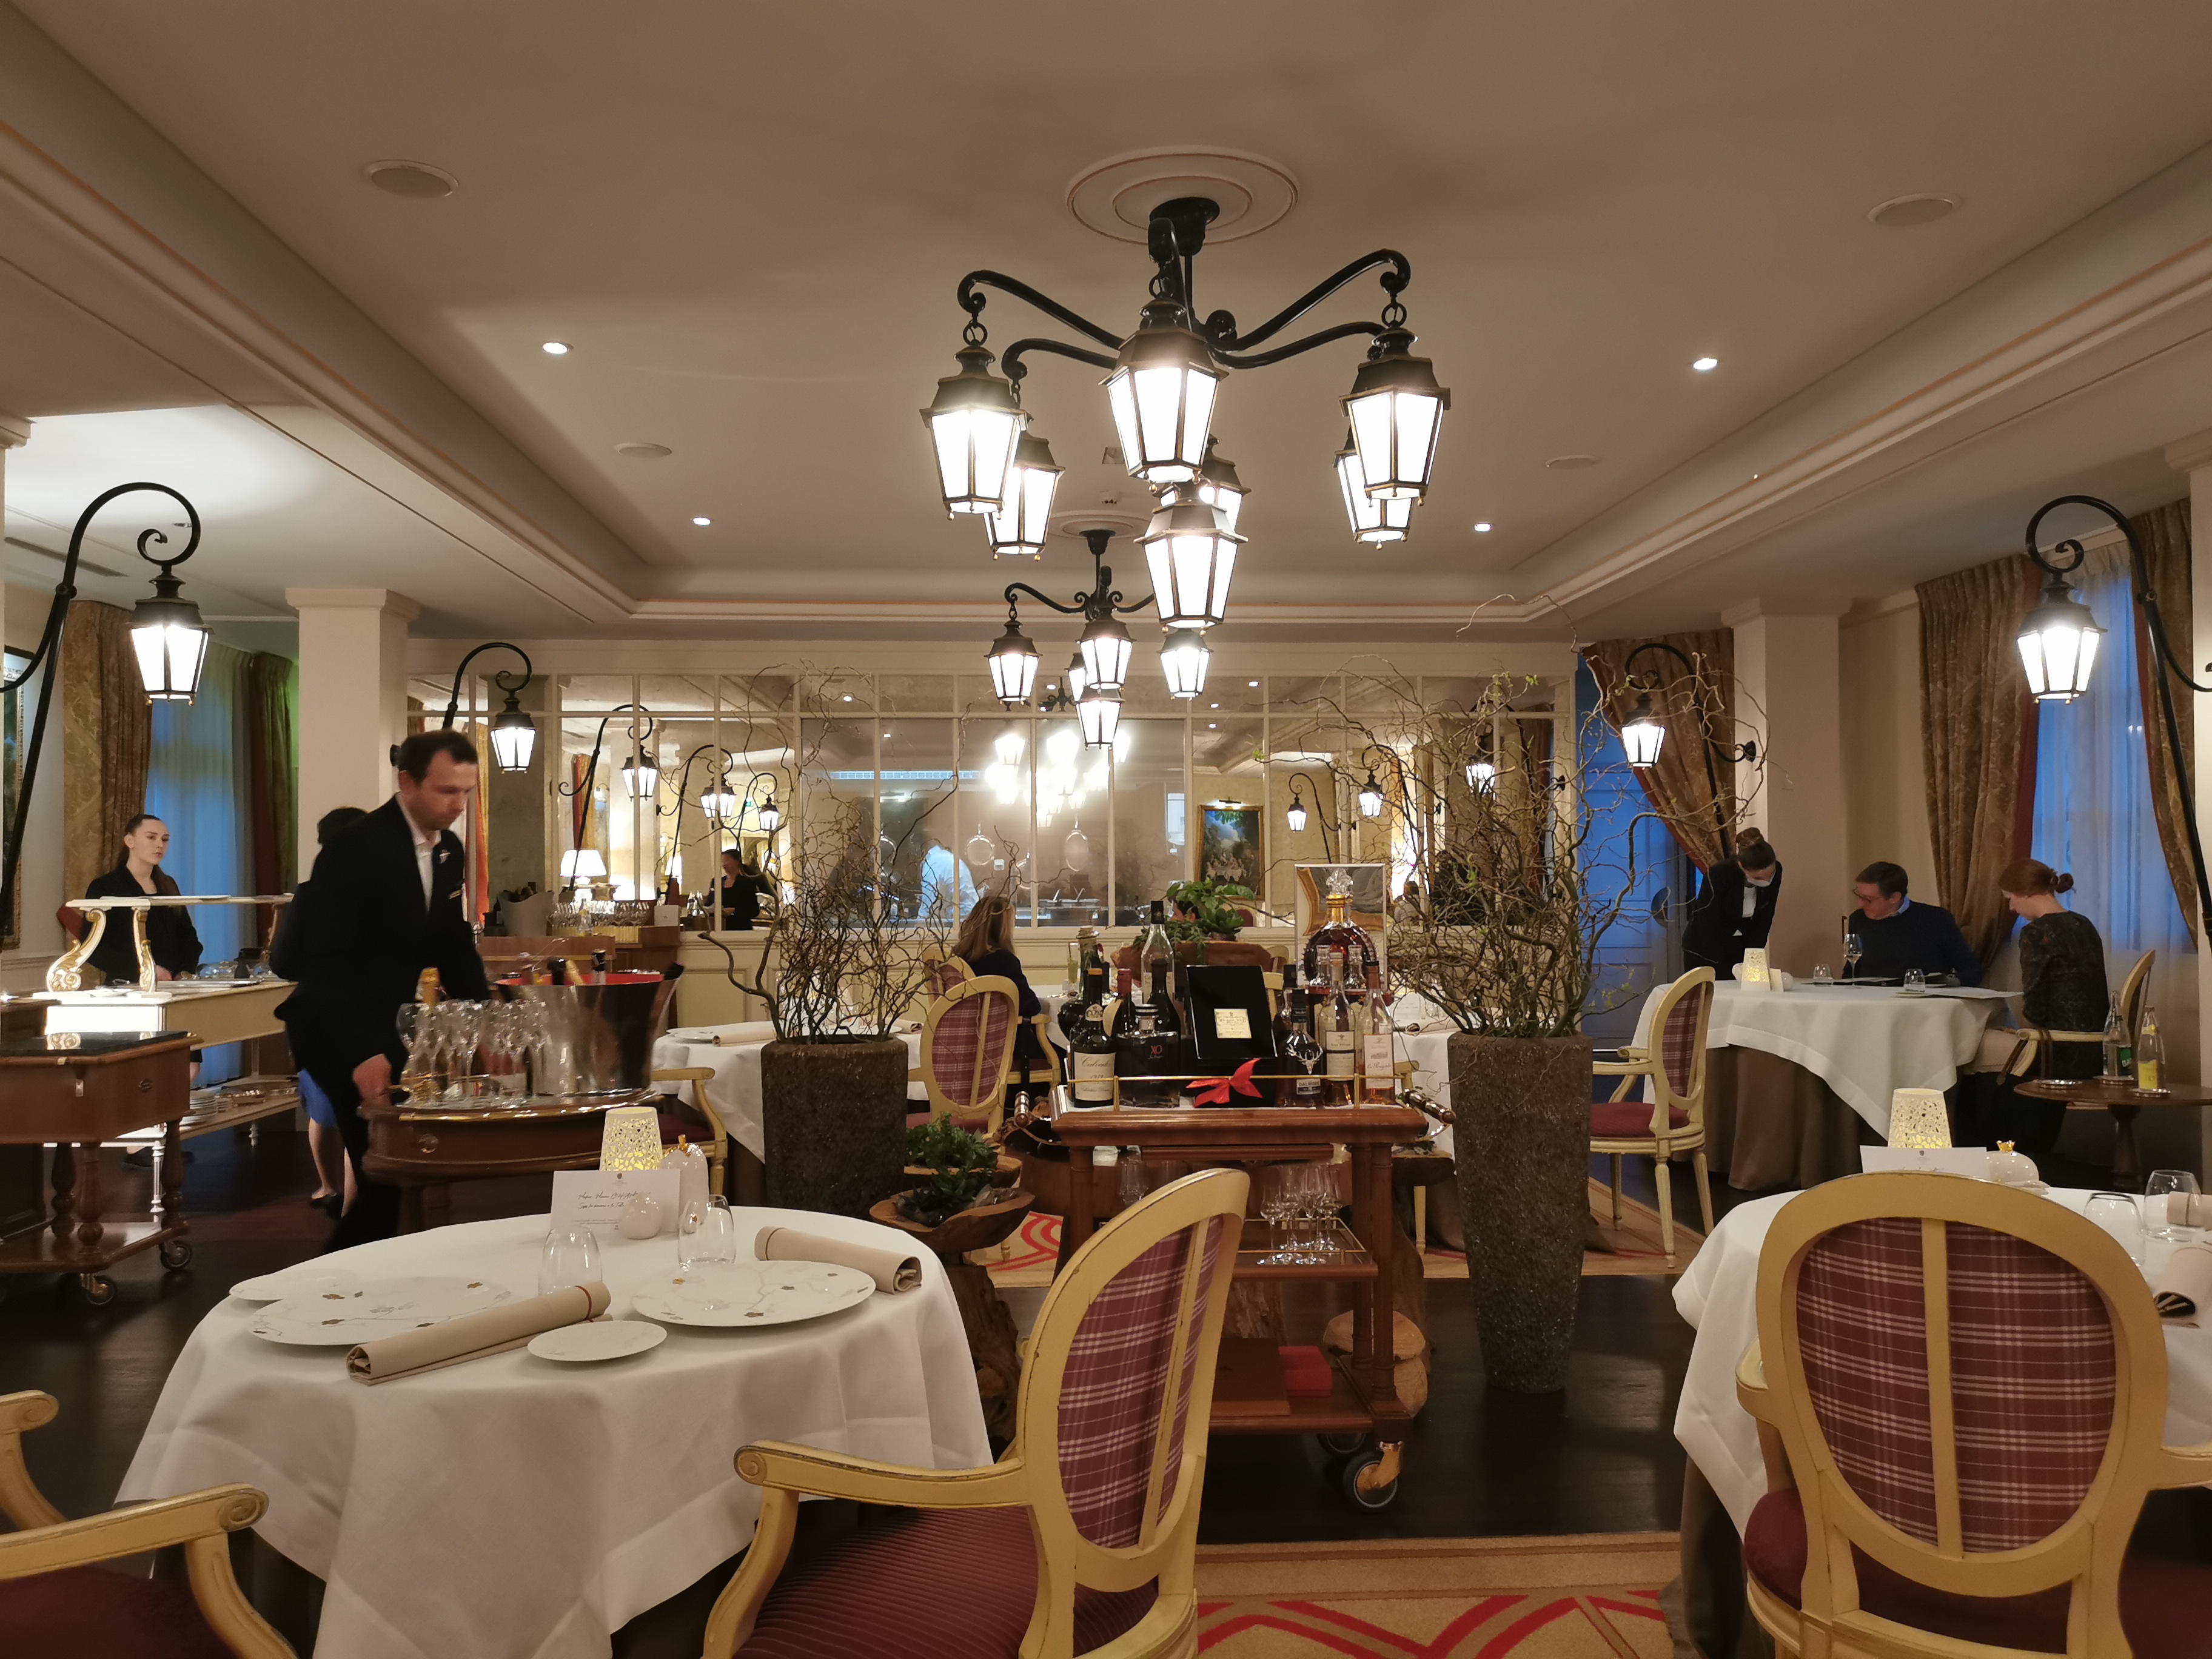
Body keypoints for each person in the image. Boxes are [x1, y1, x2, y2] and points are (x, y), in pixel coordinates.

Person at [277, 731, 490, 1249]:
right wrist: (362, 1051)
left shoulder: (448, 851)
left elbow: (452, 944)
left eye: (466, 792)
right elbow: (327, 961)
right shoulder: (356, 848)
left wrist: (486, 1022)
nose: (459, 805)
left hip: (388, 1022)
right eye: (447, 791)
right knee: (382, 1175)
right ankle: (328, 1285)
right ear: (407, 782)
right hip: (334, 1025)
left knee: (398, 1175)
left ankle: (368, 1278)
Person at [1959, 859, 2108, 1156]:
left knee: (1971, 1048)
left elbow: (2037, 1008)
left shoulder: (2037, 932)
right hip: (2095, 1045)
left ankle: (1978, 1151)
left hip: (2061, 1049)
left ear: (2026, 893)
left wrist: (2021, 1031)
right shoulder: (2082, 923)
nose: (2012, 908)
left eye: (2011, 899)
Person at [270, 804, 370, 1218]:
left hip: (316, 1014)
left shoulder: (310, 893)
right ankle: (351, 1205)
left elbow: (282, 964)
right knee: (361, 1112)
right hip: (369, 1012)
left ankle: (329, 1188)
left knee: (322, 1107)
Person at [950, 891, 1051, 1099]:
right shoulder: (1003, 960)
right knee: (1063, 1052)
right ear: (1003, 929)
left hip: (967, 1047)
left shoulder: (959, 960)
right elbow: (1031, 1007)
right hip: (1002, 1048)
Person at [80, 814, 203, 985]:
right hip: (127, 986)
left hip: (173, 984)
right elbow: (93, 947)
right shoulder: (105, 886)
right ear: (130, 841)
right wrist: (145, 970)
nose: (160, 845)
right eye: (151, 837)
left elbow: (188, 939)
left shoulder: (168, 884)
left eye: (165, 840)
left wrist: (183, 972)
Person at [1845, 861, 1982, 985]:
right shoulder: (1858, 919)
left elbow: (1971, 969)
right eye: (1859, 896)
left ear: (1894, 898)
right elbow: (1851, 971)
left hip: (1920, 1000)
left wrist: (1949, 982)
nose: (1860, 904)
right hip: (1869, 999)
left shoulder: (1936, 919)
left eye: (1868, 899)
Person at [1681, 829, 1782, 976]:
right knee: (1715, 987)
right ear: (1742, 866)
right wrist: (1720, 965)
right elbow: (1707, 920)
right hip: (1705, 946)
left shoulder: (1777, 871)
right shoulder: (1720, 873)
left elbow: (1765, 917)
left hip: (1740, 943)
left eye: (1770, 875)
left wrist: (1753, 957)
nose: (1767, 882)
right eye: (1758, 878)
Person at [716, 846, 768, 929]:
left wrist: (734, 910)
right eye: (722, 861)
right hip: (719, 927)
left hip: (741, 927)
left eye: (727, 860)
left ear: (737, 861)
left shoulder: (747, 882)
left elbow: (753, 910)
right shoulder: (717, 882)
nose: (724, 864)